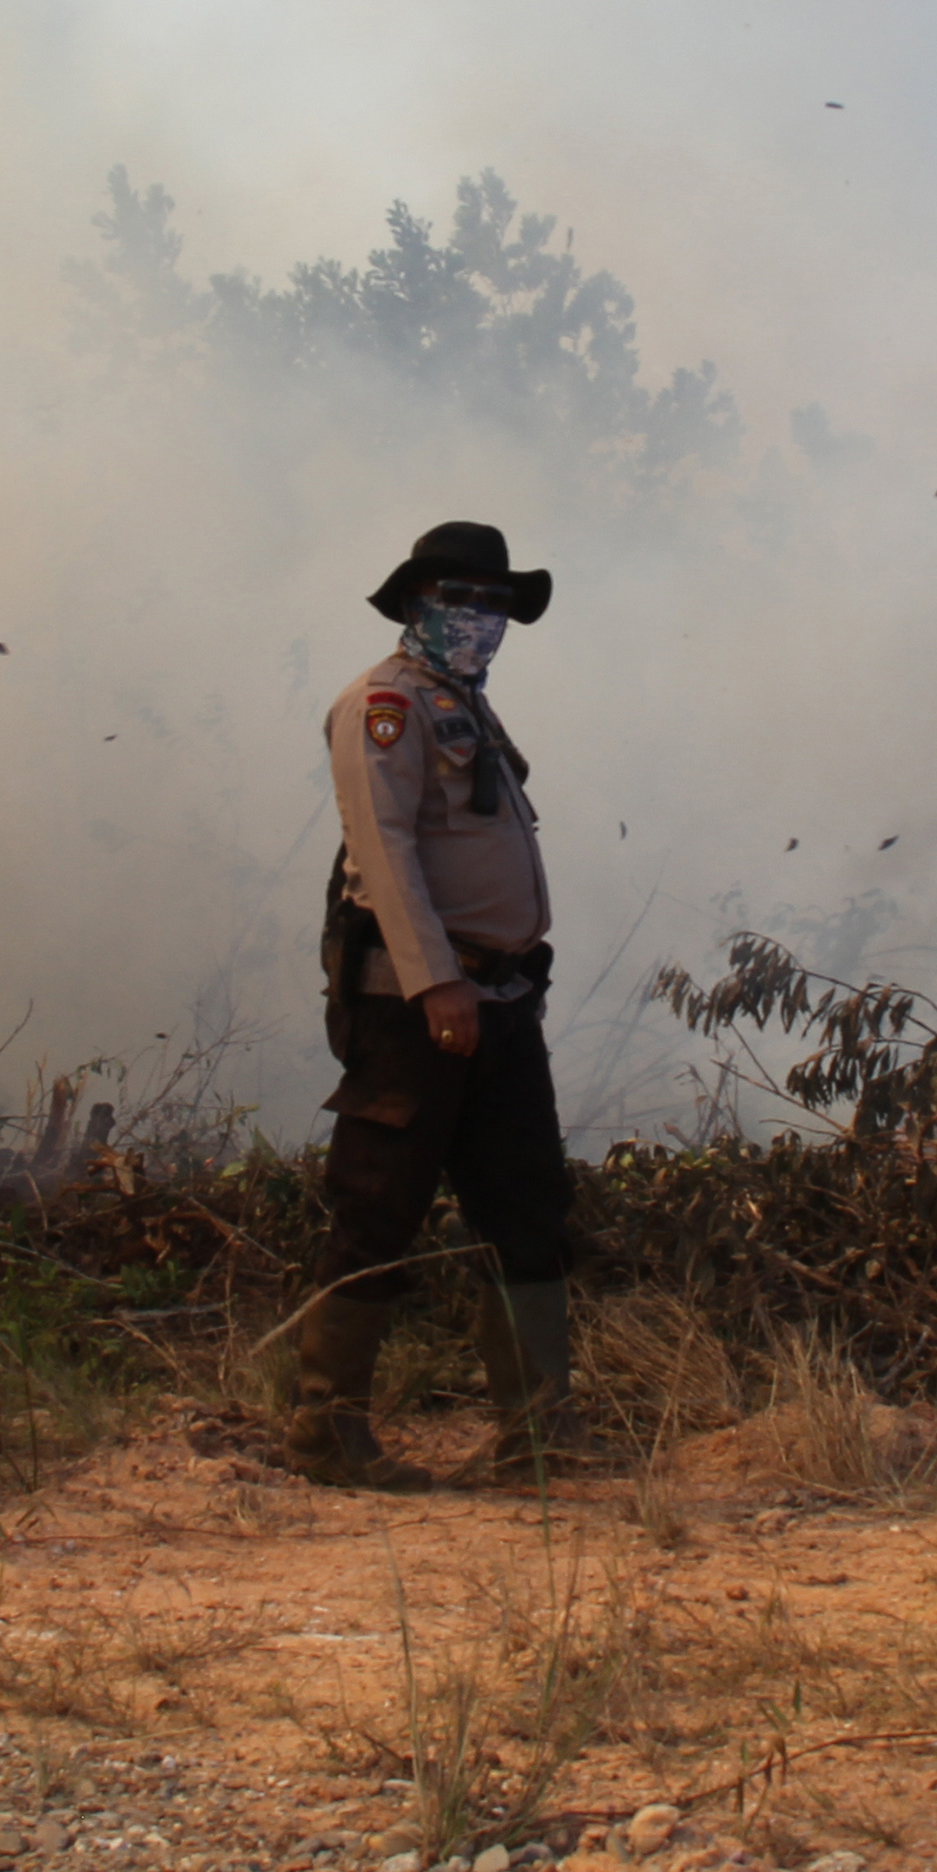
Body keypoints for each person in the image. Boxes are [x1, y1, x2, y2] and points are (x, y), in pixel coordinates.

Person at [290, 520, 586, 1487]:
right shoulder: (384, 705)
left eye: (495, 604)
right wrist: (436, 982)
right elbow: (384, 850)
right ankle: (326, 1433)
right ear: (417, 603)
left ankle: (536, 1435)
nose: (480, 619)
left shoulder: (468, 706)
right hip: (416, 1006)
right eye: (461, 600)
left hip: (499, 999)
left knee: (526, 1204)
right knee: (379, 1208)